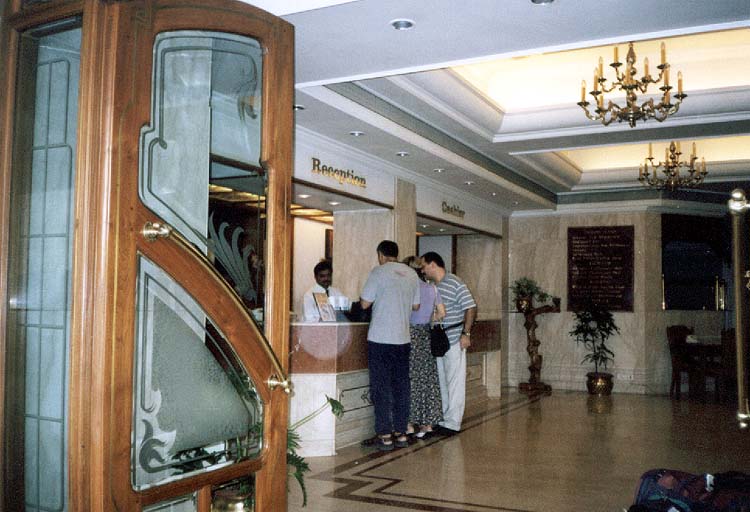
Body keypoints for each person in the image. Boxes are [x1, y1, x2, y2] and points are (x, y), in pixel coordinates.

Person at [360, 241, 420, 451]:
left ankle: (385, 435)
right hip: (403, 339)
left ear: (380, 255)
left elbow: (365, 303)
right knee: (402, 387)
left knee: (381, 387)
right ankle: (401, 433)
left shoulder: (378, 272)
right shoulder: (411, 274)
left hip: (380, 339)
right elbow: (416, 305)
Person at [421, 252, 476, 434]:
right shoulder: (432, 286)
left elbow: (470, 307)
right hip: (438, 340)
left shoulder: (455, 282)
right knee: (442, 382)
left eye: (424, 266)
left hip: (453, 338)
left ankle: (452, 423)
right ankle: (443, 418)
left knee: (455, 382)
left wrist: (466, 333)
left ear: (433, 264)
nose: (423, 270)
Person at [402, 256, 445, 439]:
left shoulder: (408, 289)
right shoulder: (432, 288)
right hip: (426, 336)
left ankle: (410, 424)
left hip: (410, 335)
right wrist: (428, 319)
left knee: (411, 379)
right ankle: (427, 424)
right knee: (427, 379)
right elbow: (442, 313)